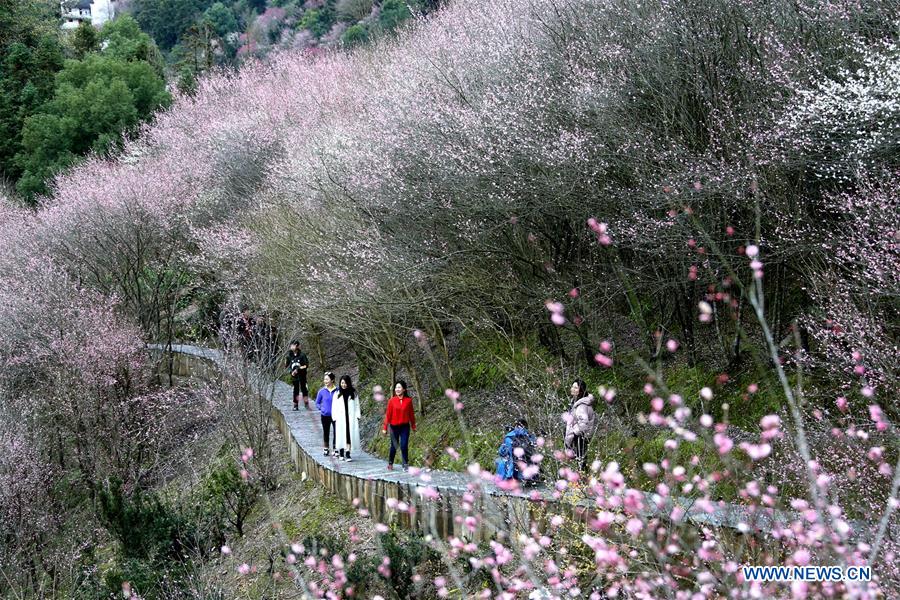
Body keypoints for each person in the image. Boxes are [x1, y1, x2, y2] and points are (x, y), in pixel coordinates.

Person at [382, 380, 416, 471]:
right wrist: (385, 428)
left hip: (405, 427)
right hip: (394, 427)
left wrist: (413, 426)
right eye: (396, 387)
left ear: (404, 389)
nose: (397, 389)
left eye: (399, 387)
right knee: (394, 446)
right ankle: (390, 462)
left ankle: (405, 464)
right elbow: (387, 415)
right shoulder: (391, 401)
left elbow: (411, 414)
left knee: (404, 445)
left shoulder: (408, 401)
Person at [564, 379, 596, 471]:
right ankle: (581, 482)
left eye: (576, 387)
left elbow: (583, 422)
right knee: (580, 461)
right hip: (579, 437)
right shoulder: (577, 403)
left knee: (580, 462)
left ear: (581, 390)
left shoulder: (581, 405)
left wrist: (574, 433)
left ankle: (582, 482)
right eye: (572, 387)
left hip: (579, 437)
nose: (572, 389)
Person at [495, 418, 538, 483]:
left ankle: (503, 482)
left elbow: (502, 452)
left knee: (500, 461)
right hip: (527, 468)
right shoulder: (531, 436)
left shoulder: (509, 436)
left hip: (512, 469)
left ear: (515, 426)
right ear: (526, 426)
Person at [332, 375, 361, 462]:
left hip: (350, 417)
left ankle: (348, 453)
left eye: (345, 383)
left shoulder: (353, 393)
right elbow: (334, 406)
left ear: (349, 383)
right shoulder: (337, 394)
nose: (343, 385)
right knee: (341, 435)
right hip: (340, 418)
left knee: (349, 435)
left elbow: (357, 405)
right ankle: (341, 452)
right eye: (342, 383)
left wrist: (357, 415)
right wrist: (335, 417)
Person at [315, 372, 337, 456]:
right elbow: (317, 403)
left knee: (336, 432)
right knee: (326, 431)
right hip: (325, 415)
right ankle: (326, 448)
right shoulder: (321, 391)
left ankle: (335, 448)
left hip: (335, 415)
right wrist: (322, 409)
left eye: (327, 379)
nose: (325, 381)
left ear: (332, 380)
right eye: (324, 379)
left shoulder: (337, 391)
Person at [285, 340, 309, 410]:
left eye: (293, 345)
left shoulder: (302, 355)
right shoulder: (289, 356)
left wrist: (298, 369)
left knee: (304, 388)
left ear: (297, 346)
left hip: (302, 375)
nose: (291, 346)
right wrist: (291, 372)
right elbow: (287, 366)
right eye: (291, 345)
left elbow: (306, 365)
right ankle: (295, 404)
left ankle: (306, 402)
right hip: (294, 376)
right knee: (296, 390)